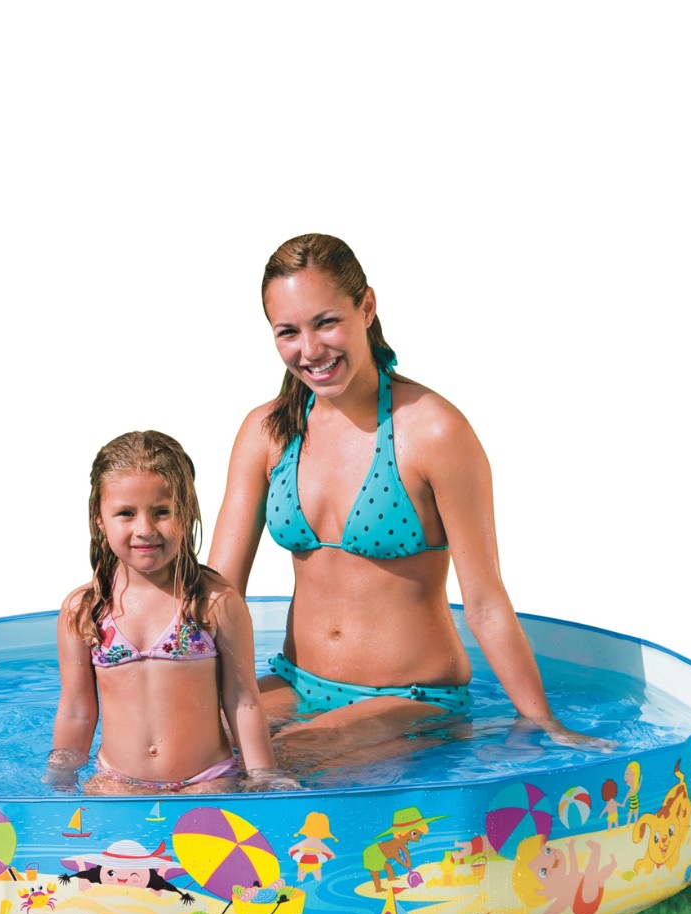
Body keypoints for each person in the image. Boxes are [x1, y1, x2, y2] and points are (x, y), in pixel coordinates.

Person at [208, 233, 609, 768]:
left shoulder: (433, 431)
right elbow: (218, 593)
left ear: (366, 307)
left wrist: (544, 725)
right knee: (189, 747)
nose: (310, 350)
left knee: (277, 763)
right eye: (289, 332)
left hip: (412, 701)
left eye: (326, 322)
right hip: (295, 682)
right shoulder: (268, 433)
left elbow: (485, 602)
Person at [45, 430, 297, 795]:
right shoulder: (85, 610)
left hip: (208, 778)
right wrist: (61, 778)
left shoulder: (213, 602)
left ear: (187, 512)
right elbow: (76, 710)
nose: (145, 529)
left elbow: (242, 700)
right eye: (126, 513)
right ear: (99, 519)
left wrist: (263, 775)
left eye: (163, 512)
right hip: (118, 779)